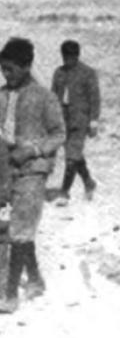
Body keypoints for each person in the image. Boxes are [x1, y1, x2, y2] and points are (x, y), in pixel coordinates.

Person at [0, 38, 65, 313]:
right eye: (3, 69)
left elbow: (59, 133)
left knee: (20, 229)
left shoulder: (44, 96)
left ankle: (10, 293)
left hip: (33, 170)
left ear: (26, 66)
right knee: (11, 228)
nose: (6, 74)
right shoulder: (1, 95)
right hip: (4, 168)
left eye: (11, 69)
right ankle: (35, 279)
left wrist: (33, 150)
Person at [51, 40, 100, 205]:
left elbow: (95, 98)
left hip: (80, 121)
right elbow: (53, 97)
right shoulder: (58, 73)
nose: (67, 60)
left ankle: (64, 192)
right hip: (62, 120)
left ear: (77, 56)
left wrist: (94, 120)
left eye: (71, 57)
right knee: (75, 155)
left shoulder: (88, 73)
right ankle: (88, 182)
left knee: (71, 158)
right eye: (65, 57)